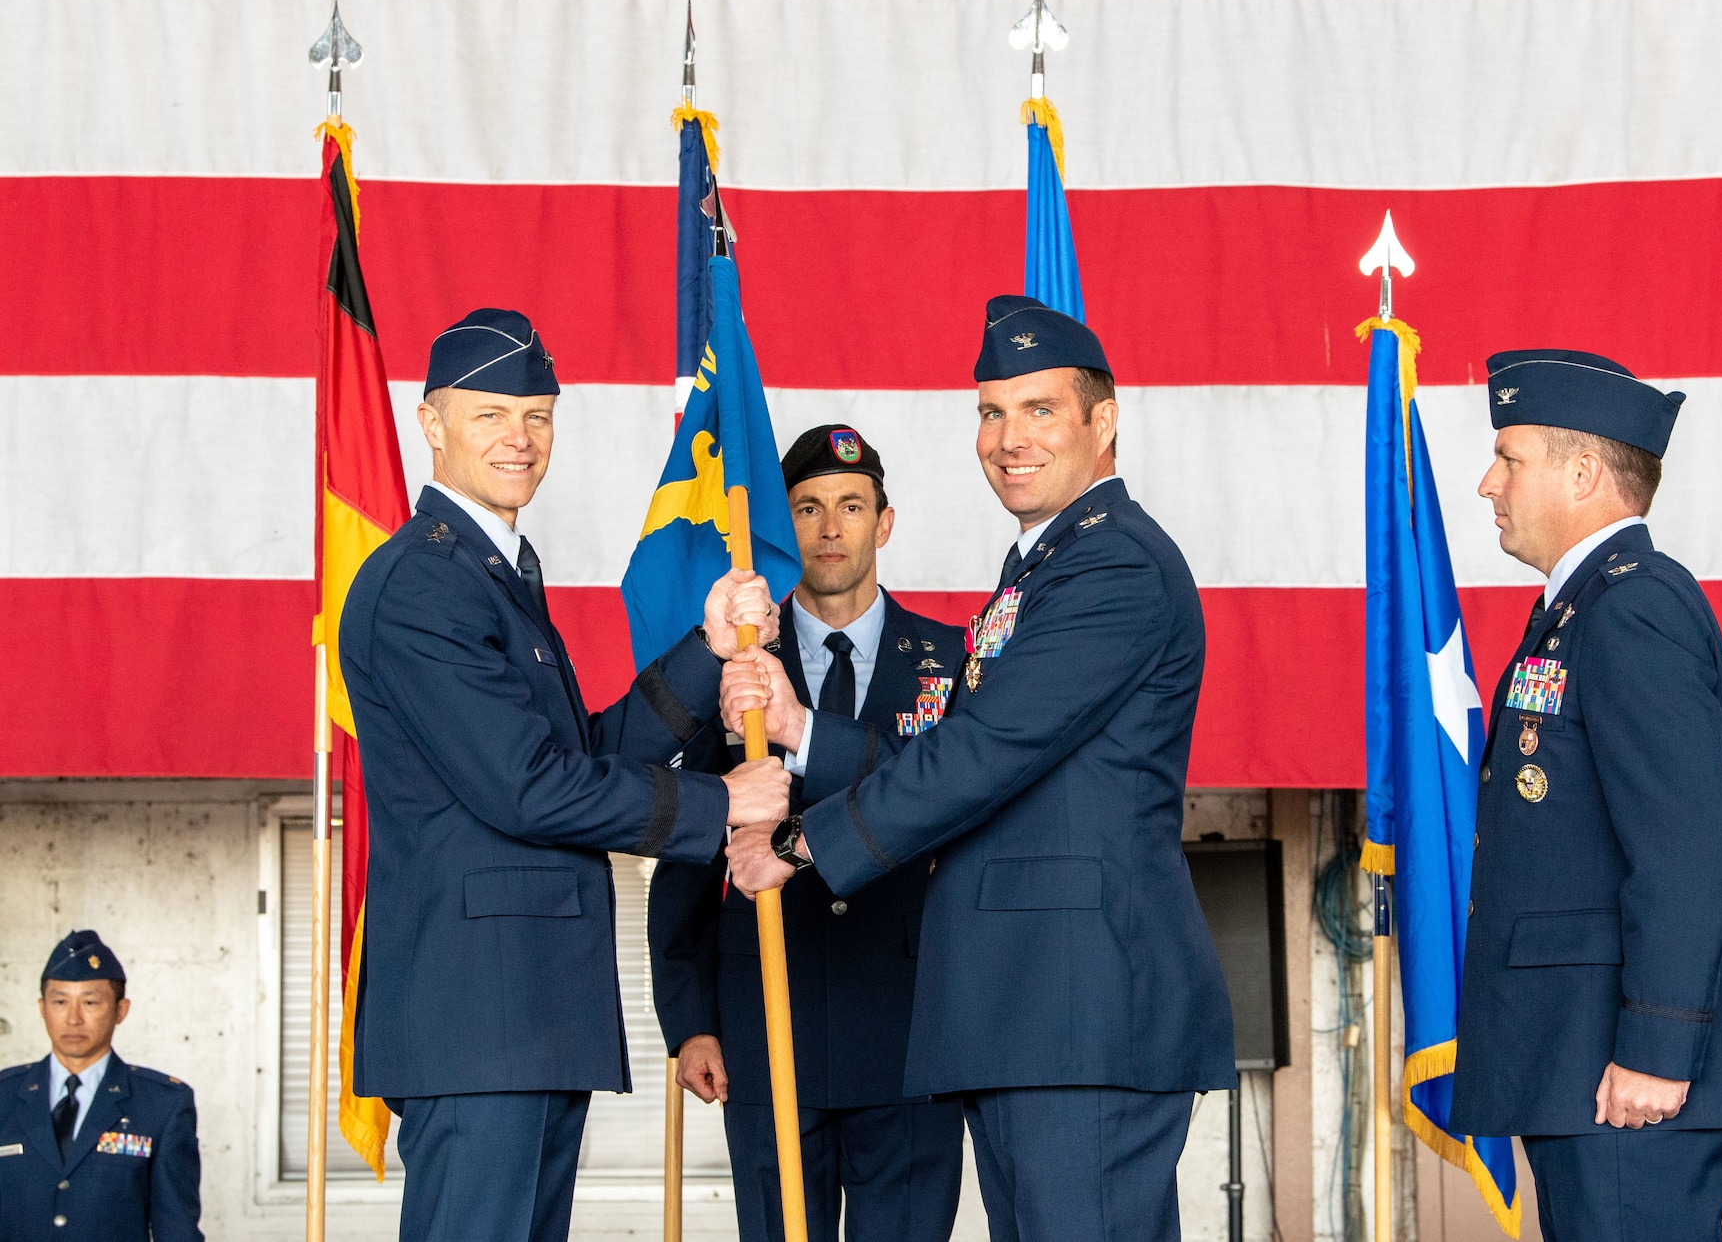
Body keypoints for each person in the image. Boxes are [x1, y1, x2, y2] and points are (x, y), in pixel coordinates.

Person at [720, 296, 1236, 1242]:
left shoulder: (1113, 564)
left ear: (1103, 419)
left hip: (1079, 1016)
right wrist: (802, 730)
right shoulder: (1038, 570)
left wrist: (797, 841)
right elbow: (957, 751)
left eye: (1039, 409)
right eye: (991, 412)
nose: (1008, 438)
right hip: (1023, 1016)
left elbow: (983, 752)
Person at [339, 308, 792, 1242]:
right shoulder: (422, 583)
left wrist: (706, 655)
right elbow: (527, 787)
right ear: (431, 423)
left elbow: (581, 755)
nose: (519, 438)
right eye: (491, 413)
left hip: (525, 1013)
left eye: (537, 415)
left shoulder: (492, 571)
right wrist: (721, 803)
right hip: (478, 1021)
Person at [1447, 349, 1722, 1240]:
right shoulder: (1575, 608)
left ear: (1583, 471)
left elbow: (1685, 848)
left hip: (1623, 1076)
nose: (1488, 483)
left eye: (1510, 457)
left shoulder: (1633, 607)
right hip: (1574, 1061)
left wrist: (1656, 1046)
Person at [649, 423, 969, 1242]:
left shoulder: (950, 661)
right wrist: (689, 1018)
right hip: (766, 1025)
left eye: (852, 506)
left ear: (884, 523)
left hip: (909, 1034)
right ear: (781, 528)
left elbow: (947, 804)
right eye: (809, 506)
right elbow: (691, 842)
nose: (830, 527)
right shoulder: (731, 660)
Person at [0, 930, 203, 1242]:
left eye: (91, 1002)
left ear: (121, 1010)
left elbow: (176, 1231)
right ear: (42, 1008)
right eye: (60, 1001)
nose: (73, 1018)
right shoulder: (4, 1096)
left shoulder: (162, 1105)